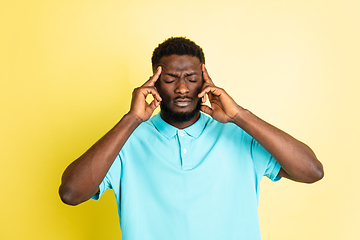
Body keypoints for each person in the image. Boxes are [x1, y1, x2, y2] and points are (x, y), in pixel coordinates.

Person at [59, 37, 324, 240]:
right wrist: (131, 120)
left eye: (192, 78)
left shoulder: (241, 136)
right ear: (154, 84)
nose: (183, 88)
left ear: (204, 82)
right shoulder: (127, 142)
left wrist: (239, 115)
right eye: (171, 78)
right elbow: (71, 193)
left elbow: (311, 171)